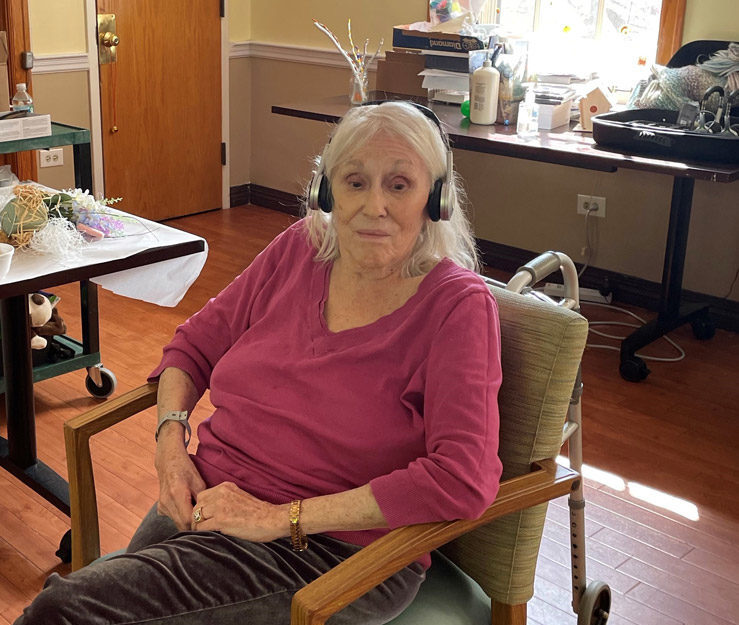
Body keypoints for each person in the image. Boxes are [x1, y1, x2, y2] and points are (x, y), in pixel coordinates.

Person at [15, 101, 503, 625]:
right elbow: (192, 346)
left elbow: (463, 477)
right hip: (209, 500)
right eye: (355, 182)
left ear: (438, 199)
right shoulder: (300, 249)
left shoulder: (458, 307)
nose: (374, 205)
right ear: (327, 191)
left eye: (400, 184)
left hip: (327, 553)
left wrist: (278, 518)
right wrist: (171, 451)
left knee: (63, 611)